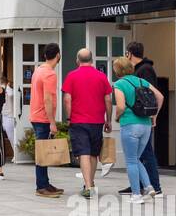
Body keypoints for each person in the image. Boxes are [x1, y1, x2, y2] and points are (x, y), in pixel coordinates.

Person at [62, 48, 113, 199]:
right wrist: (108, 120)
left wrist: (69, 117)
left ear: (78, 60)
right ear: (92, 60)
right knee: (93, 153)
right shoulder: (101, 76)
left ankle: (89, 186)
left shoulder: (72, 76)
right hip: (97, 121)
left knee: (83, 152)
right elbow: (108, 100)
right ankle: (90, 183)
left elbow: (67, 99)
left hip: (78, 120)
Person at [112, 56, 165, 203]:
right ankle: (149, 187)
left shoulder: (119, 84)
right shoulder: (142, 81)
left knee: (130, 161)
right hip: (146, 126)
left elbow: (121, 106)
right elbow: (160, 96)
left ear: (117, 70)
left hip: (130, 125)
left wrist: (116, 118)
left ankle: (136, 195)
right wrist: (154, 115)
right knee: (136, 159)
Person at [30, 43, 64, 198]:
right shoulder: (50, 74)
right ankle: (41, 186)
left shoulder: (38, 70)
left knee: (42, 151)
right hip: (43, 117)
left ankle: (45, 183)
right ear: (58, 55)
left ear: (45, 56)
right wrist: (52, 122)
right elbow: (48, 99)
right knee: (43, 153)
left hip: (35, 115)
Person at [1, 74, 17, 158]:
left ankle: (16, 154)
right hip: (3, 115)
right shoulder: (2, 90)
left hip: (9, 116)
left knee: (11, 137)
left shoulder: (9, 90)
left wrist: (7, 87)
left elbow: (11, 95)